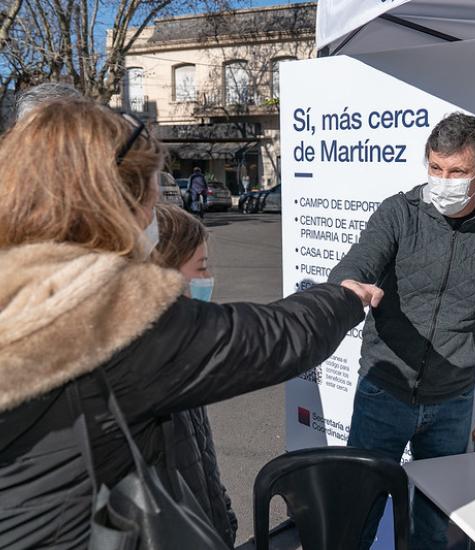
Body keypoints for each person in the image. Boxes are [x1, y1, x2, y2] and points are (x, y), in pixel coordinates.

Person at [0, 98, 382, 549]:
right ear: (111, 201)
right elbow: (268, 339)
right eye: (150, 197)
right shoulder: (95, 309)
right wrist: (343, 297)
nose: (152, 215)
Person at [328, 112, 475, 549]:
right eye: (435, 168)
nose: (443, 180)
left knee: (436, 522)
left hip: (452, 402)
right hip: (385, 389)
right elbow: (362, 257)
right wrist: (348, 281)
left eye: (456, 171)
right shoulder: (399, 214)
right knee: (359, 506)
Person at [151, 203, 236, 545]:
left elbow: (200, 460)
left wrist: (223, 517)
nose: (207, 280)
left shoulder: (179, 354)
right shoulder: (145, 372)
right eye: (200, 268)